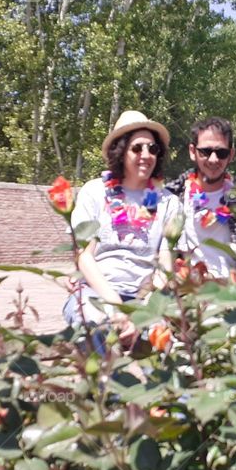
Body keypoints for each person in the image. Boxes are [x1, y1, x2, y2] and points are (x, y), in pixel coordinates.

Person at [64, 110, 182, 345]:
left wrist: (144, 313)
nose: (146, 155)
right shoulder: (94, 192)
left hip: (148, 298)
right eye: (137, 148)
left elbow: (166, 263)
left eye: (153, 149)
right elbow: (84, 257)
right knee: (95, 327)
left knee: (165, 343)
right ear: (120, 151)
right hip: (97, 295)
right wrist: (115, 309)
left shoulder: (169, 202)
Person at [165, 117, 236, 279]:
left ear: (231, 155)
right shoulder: (173, 194)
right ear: (193, 152)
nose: (214, 159)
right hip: (188, 290)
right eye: (206, 152)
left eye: (221, 153)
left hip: (234, 291)